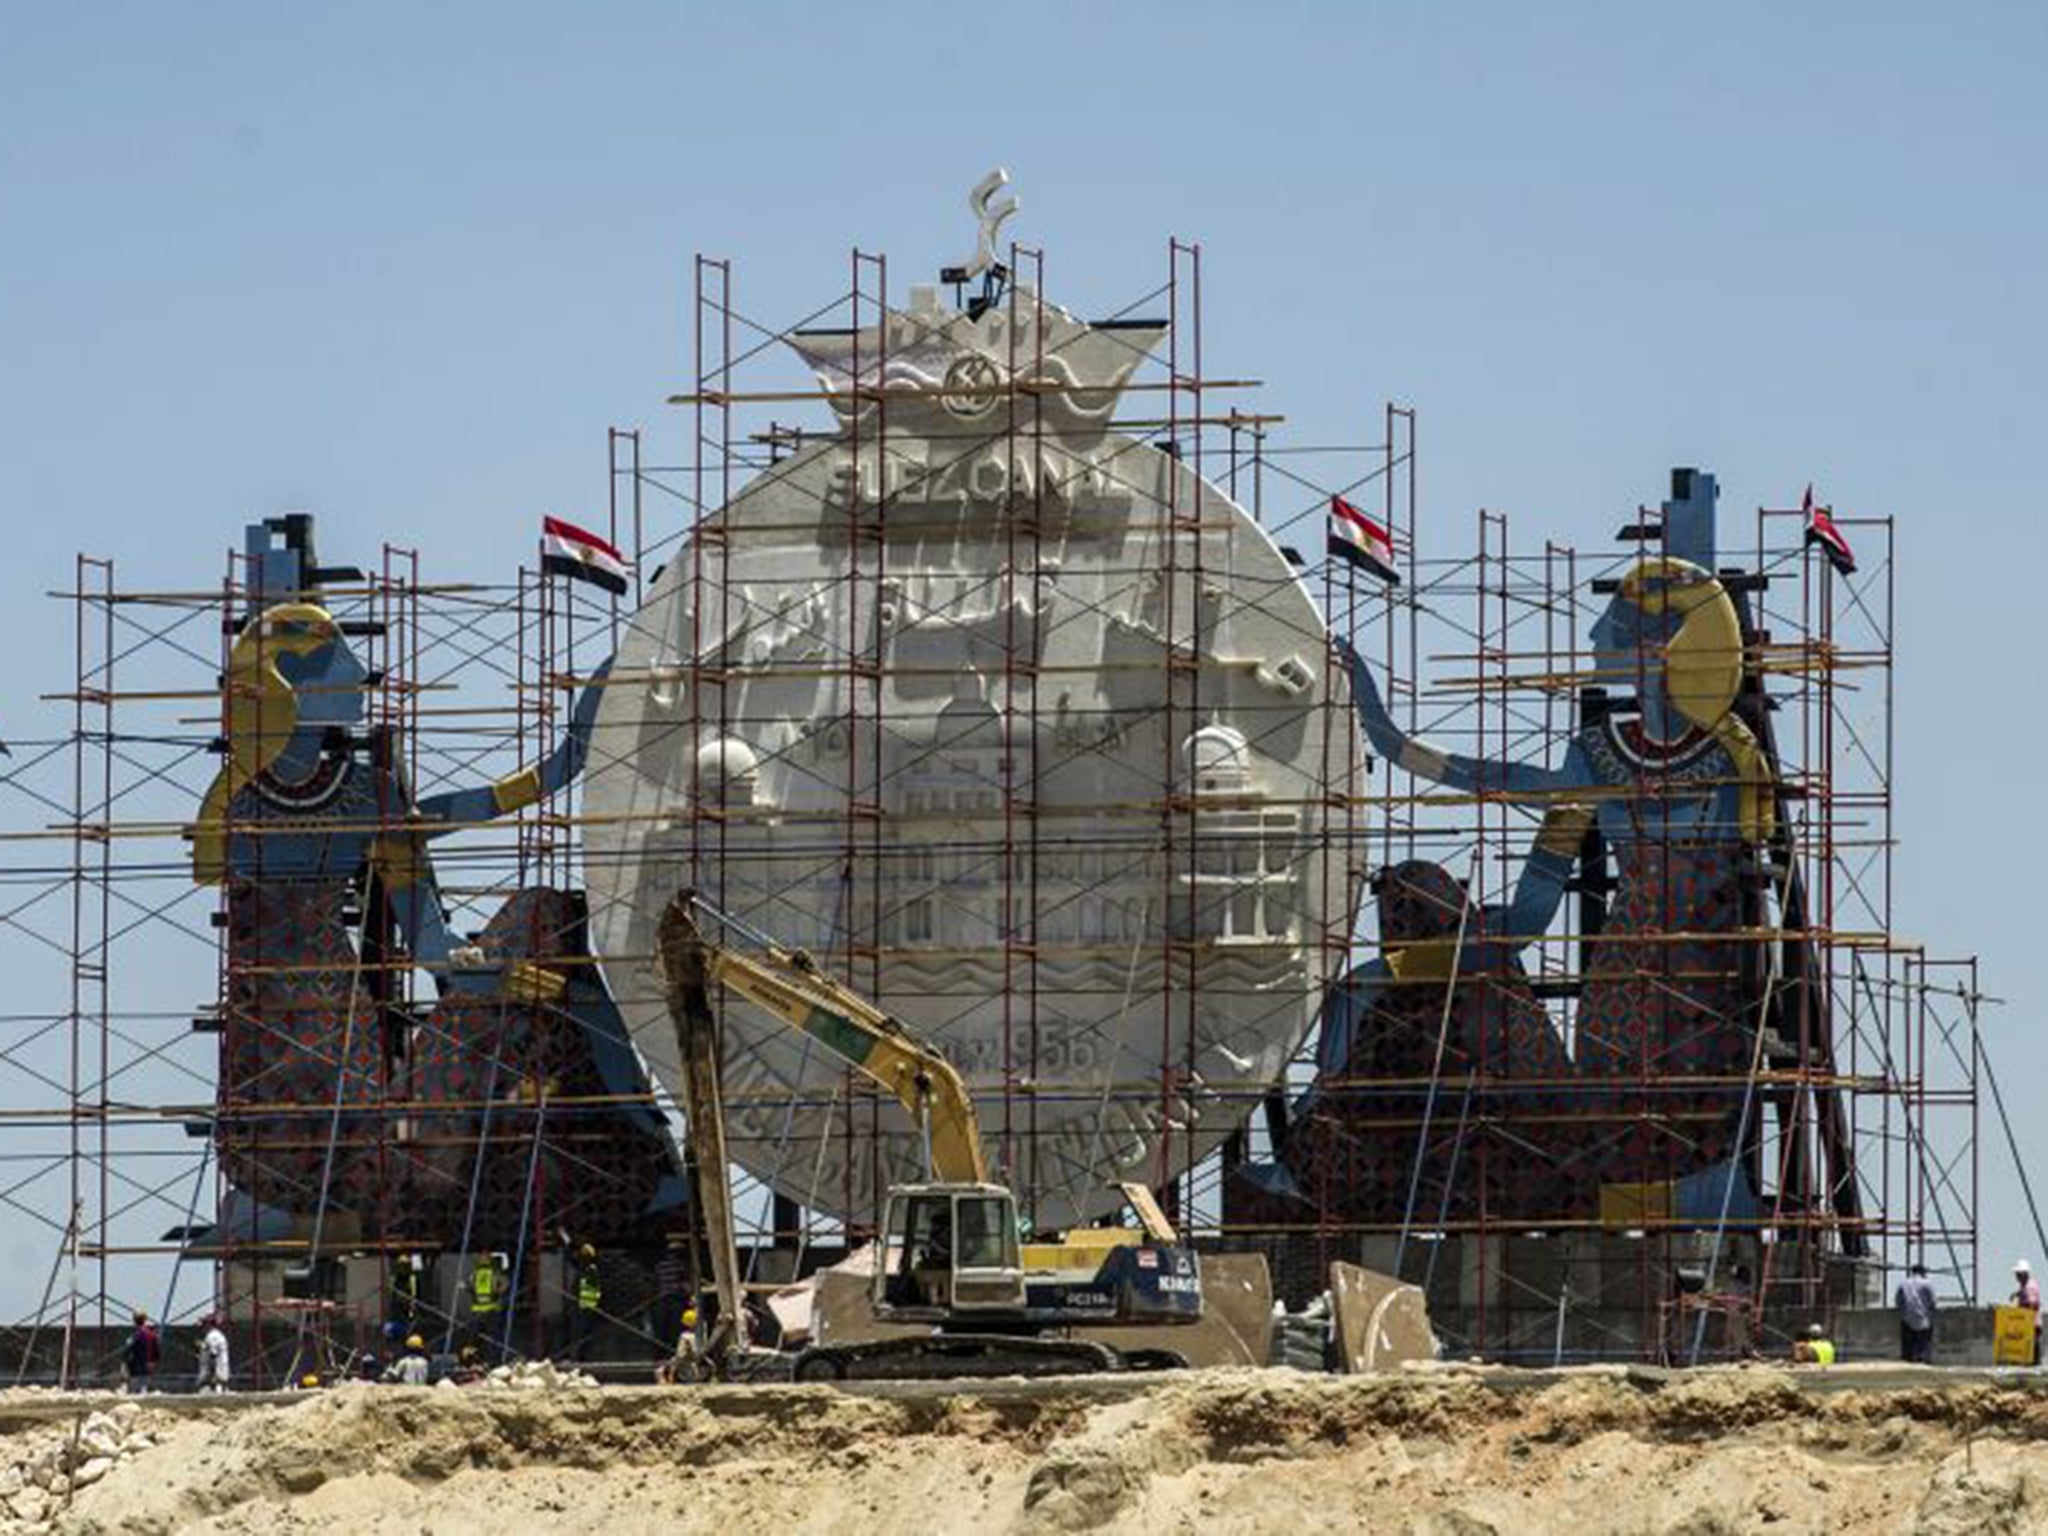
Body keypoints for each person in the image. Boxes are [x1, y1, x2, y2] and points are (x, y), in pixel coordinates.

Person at [1896, 1261, 1938, 1364]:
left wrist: (1904, 1312)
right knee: (1923, 1344)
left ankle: (1907, 1361)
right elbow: (1933, 1302)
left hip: (1907, 1318)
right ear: (1922, 1272)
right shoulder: (1927, 1283)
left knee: (1907, 1347)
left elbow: (1898, 1301)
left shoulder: (1903, 1283)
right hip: (1923, 1318)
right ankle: (1922, 1360)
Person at [570, 1242, 603, 1363]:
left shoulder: (589, 1271)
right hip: (585, 1308)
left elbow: (589, 1293)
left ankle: (582, 1359)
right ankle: (581, 1358)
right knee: (583, 1336)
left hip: (586, 1309)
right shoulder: (587, 1271)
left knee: (583, 1336)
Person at [657, 1306, 703, 1385]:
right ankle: (665, 1374)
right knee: (677, 1364)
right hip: (686, 1358)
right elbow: (688, 1352)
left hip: (685, 1358)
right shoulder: (689, 1336)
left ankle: (665, 1374)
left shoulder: (686, 1335)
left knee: (677, 1363)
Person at [121, 1311, 160, 1394]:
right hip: (148, 1369)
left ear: (134, 1321)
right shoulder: (152, 1335)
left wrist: (125, 1364)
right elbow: (156, 1353)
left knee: (135, 1394)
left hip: (136, 1369)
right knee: (146, 1392)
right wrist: (152, 1363)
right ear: (145, 1320)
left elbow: (127, 1351)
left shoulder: (135, 1335)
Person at [2014, 1260, 2042, 1364]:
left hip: (2031, 1325)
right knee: (2030, 1353)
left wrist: (2020, 1312)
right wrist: (2017, 1294)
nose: (2016, 1276)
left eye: (2018, 1274)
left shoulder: (2029, 1287)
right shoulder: (2026, 1285)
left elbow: (2032, 1303)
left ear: (2023, 1274)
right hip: (2030, 1325)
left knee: (2032, 1354)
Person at [195, 1313, 232, 1392]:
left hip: (214, 1378)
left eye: (205, 1324)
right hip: (216, 1376)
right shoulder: (216, 1335)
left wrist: (211, 1377)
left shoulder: (212, 1336)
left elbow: (213, 1356)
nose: (203, 1327)